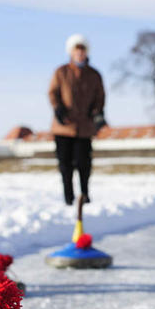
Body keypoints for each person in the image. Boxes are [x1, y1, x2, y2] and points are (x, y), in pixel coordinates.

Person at [48, 34, 106, 205]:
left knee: (83, 162)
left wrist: (97, 113)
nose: (79, 53)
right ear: (71, 52)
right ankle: (68, 196)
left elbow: (100, 97)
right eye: (76, 50)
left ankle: (84, 193)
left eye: (82, 50)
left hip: (85, 127)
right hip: (64, 126)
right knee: (65, 164)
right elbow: (53, 92)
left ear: (86, 52)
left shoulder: (94, 75)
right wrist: (58, 108)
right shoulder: (61, 72)